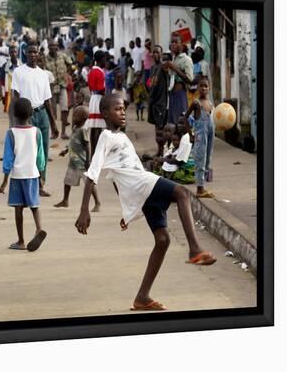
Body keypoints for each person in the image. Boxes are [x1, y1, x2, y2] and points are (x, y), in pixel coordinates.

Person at [75, 93, 217, 311]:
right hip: (142, 185)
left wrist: (128, 210)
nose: (122, 112)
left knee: (162, 240)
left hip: (141, 192)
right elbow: (92, 174)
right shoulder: (105, 137)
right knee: (181, 193)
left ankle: (142, 297)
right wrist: (84, 210)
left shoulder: (120, 136)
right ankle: (194, 249)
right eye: (117, 109)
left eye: (123, 108)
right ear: (104, 114)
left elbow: (116, 175)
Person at [12, 42, 59, 197]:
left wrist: (53, 122)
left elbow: (47, 100)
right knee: (28, 150)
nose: (33, 55)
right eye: (30, 52)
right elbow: (16, 95)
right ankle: (28, 183)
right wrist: (18, 117)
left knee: (43, 150)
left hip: (42, 113)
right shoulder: (19, 72)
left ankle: (40, 183)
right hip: (27, 115)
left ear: (39, 54)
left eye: (35, 52)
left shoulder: (43, 74)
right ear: (25, 53)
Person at [2, 98, 47, 251]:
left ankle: (21, 241)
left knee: (18, 209)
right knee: (34, 205)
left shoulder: (11, 134)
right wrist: (40, 175)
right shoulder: (37, 132)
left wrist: (4, 181)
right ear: (32, 113)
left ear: (14, 114)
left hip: (17, 176)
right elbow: (41, 157)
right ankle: (39, 228)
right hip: (33, 174)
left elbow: (8, 160)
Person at [54, 106, 101, 211]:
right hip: (73, 163)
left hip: (82, 163)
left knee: (89, 183)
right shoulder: (75, 129)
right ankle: (65, 200)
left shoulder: (83, 130)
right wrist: (65, 150)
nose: (73, 118)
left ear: (83, 118)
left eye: (75, 116)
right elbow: (72, 141)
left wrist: (88, 161)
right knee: (67, 181)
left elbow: (88, 146)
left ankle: (97, 202)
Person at [185, 76, 215, 198]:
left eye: (205, 86)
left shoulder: (210, 104)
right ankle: (199, 188)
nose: (203, 88)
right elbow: (185, 118)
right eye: (201, 86)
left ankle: (203, 186)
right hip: (200, 137)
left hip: (209, 136)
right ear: (197, 88)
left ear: (209, 88)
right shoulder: (196, 103)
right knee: (200, 160)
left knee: (207, 159)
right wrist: (190, 134)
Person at [46, 39, 74, 139]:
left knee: (64, 109)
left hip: (63, 86)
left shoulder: (62, 56)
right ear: (48, 47)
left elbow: (71, 64)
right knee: (52, 112)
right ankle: (54, 131)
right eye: (51, 46)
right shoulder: (45, 59)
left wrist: (69, 74)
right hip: (51, 88)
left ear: (57, 46)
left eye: (54, 45)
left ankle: (63, 132)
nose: (53, 47)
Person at [166, 33, 194, 123]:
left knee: (181, 123)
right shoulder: (173, 58)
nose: (173, 44)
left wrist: (174, 68)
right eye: (172, 42)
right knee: (172, 124)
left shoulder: (186, 59)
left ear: (182, 44)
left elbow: (190, 80)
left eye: (176, 42)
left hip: (180, 95)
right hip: (172, 95)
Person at [148, 45, 169, 156]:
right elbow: (151, 84)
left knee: (161, 130)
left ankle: (162, 152)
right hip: (153, 102)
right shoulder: (152, 68)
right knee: (156, 130)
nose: (155, 54)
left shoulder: (163, 67)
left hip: (161, 102)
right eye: (154, 52)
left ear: (161, 54)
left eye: (157, 52)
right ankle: (159, 151)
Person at [86, 50, 107, 156]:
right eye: (105, 59)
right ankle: (96, 154)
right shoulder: (99, 72)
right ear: (101, 60)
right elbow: (100, 88)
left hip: (93, 99)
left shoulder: (91, 71)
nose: (106, 61)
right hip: (98, 99)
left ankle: (93, 153)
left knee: (93, 128)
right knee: (98, 129)